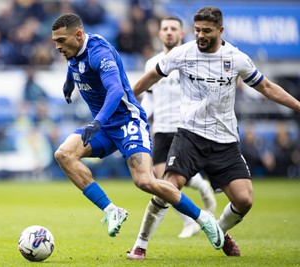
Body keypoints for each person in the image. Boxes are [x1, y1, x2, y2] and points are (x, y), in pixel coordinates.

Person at [129, 6, 300, 258]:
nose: (200, 35)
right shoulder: (183, 53)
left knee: (245, 200)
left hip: (225, 141)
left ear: (220, 30)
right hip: (189, 136)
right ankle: (140, 245)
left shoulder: (236, 58)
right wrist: (127, 101)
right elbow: (151, 77)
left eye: (207, 31)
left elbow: (265, 86)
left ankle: (218, 231)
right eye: (197, 30)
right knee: (167, 187)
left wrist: (297, 105)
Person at [51, 13, 224, 250]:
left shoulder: (99, 53)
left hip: (127, 122)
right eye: (55, 41)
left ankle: (203, 218)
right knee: (63, 154)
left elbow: (114, 92)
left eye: (61, 40)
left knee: (144, 181)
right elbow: (75, 64)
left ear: (78, 35)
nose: (57, 46)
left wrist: (97, 122)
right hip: (105, 126)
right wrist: (69, 80)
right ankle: (112, 210)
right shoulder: (74, 49)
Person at [127, 16, 217, 260]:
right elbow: (151, 96)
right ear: (159, 34)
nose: (168, 33)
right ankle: (193, 205)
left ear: (182, 33)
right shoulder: (152, 63)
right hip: (162, 129)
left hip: (185, 128)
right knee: (161, 180)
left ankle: (196, 196)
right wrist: (144, 117)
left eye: (173, 29)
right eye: (164, 29)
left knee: (168, 181)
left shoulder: (191, 60)